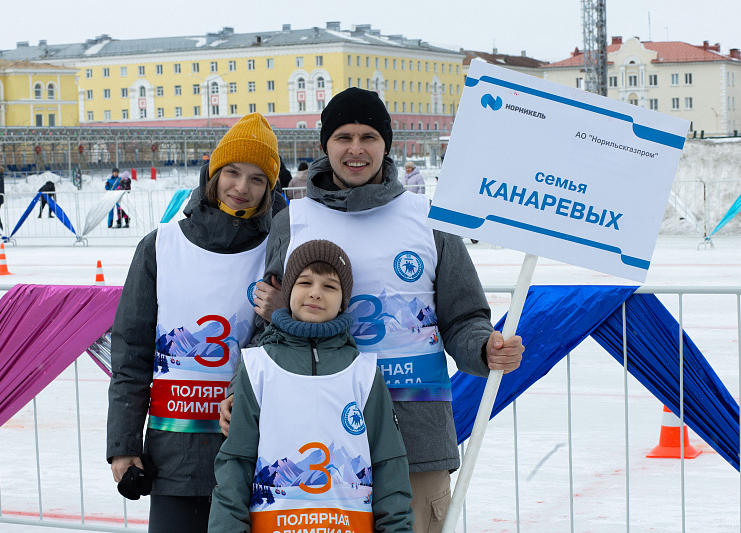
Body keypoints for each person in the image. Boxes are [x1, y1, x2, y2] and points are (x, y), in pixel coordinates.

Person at [223, 88, 524, 533]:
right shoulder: (293, 221)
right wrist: (239, 388)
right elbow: (270, 324)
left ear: (386, 144)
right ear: (325, 145)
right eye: (343, 137)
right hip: (313, 441)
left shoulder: (429, 218)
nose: (356, 149)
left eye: (368, 137)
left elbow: (464, 317)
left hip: (415, 439)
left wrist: (484, 348)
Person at [107, 112, 284, 533]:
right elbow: (132, 351)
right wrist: (124, 444)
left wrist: (282, 313)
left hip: (253, 454)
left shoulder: (277, 252)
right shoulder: (160, 246)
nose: (242, 188)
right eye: (233, 172)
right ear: (214, 173)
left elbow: (286, 347)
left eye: (257, 179)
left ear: (270, 189)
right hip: (175, 455)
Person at [210, 239, 413, 532]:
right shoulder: (256, 367)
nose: (316, 293)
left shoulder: (364, 373)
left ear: (343, 302)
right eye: (305, 282)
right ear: (288, 292)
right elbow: (235, 466)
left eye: (330, 286)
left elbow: (389, 466)